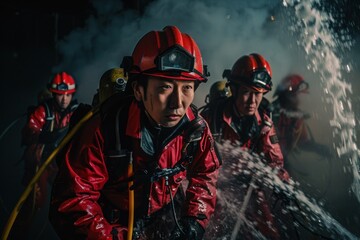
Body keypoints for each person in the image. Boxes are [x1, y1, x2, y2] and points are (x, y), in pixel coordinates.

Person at [49, 25, 220, 240]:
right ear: (138, 90)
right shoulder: (105, 130)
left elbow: (206, 174)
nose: (178, 103)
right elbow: (73, 201)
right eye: (165, 87)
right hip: (110, 224)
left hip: (165, 220)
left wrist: (195, 220)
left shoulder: (196, 130)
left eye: (187, 87)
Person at [201, 53, 291, 239]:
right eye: (246, 93)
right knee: (208, 232)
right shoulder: (213, 119)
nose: (252, 101)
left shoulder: (264, 124)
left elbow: (274, 160)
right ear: (233, 90)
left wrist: (282, 184)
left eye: (258, 94)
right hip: (214, 188)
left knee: (269, 232)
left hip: (247, 186)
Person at [10, 71, 78, 239]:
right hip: (40, 163)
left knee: (69, 196)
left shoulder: (76, 113)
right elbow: (28, 132)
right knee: (34, 201)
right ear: (54, 94)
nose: (64, 99)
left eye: (68, 95)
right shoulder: (43, 111)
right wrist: (41, 136)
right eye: (60, 95)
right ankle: (18, 233)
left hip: (60, 164)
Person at [272, 74, 332, 198]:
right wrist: (280, 154)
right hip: (268, 158)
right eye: (295, 95)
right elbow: (269, 137)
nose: (298, 99)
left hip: (280, 161)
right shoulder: (272, 112)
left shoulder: (296, 117)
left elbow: (301, 142)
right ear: (286, 95)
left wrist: (318, 148)